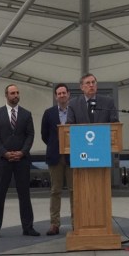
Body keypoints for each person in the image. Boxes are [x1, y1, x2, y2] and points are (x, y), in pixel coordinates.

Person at [0, 84, 40, 238]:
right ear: (6, 95)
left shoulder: (26, 114)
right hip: (3, 161)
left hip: (21, 160)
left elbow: (30, 135)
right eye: (12, 93)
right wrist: (4, 153)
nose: (16, 95)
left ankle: (28, 227)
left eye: (17, 92)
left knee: (24, 195)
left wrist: (22, 152)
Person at [41, 83, 72, 236]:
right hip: (55, 156)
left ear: (68, 94)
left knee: (74, 191)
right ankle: (54, 224)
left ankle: (77, 222)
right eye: (59, 93)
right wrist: (56, 145)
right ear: (55, 96)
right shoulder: (48, 113)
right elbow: (44, 135)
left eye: (63, 93)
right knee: (55, 191)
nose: (61, 95)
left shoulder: (75, 111)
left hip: (73, 156)